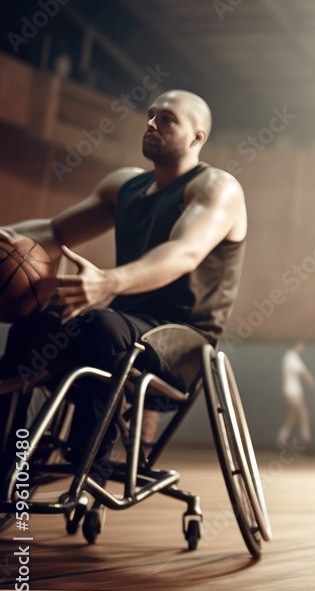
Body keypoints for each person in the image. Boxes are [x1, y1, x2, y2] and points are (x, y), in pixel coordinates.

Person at [0, 89, 247, 472]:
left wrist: (110, 282)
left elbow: (185, 252)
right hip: (123, 324)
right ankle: (9, 458)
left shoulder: (216, 188)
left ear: (198, 137)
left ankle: (89, 463)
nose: (151, 123)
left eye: (167, 119)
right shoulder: (126, 185)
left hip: (182, 341)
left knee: (101, 325)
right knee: (30, 327)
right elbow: (53, 230)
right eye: (151, 115)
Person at [277, 341, 315, 450]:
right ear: (297, 344)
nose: (303, 348)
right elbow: (304, 373)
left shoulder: (289, 356)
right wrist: (312, 381)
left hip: (292, 392)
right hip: (293, 393)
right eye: (301, 345)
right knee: (304, 414)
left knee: (293, 416)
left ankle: (281, 439)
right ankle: (306, 442)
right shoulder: (291, 356)